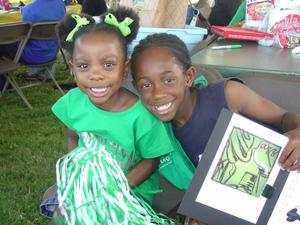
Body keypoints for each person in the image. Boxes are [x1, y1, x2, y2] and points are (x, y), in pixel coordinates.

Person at [130, 33, 300, 223]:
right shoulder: (160, 137)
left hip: (290, 185)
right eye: (146, 85)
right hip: (248, 210)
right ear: (136, 88)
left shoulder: (227, 95)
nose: (158, 94)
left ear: (188, 76)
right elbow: (206, 192)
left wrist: (298, 132)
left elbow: (284, 117)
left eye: (168, 80)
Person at [42, 8, 189, 222]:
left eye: (108, 65)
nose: (96, 75)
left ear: (125, 69)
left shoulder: (141, 115)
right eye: (84, 66)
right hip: (89, 185)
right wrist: (77, 170)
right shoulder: (74, 102)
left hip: (130, 189)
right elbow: (73, 134)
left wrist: (116, 190)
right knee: (67, 216)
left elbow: (151, 160)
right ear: (73, 69)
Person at [19, 0, 66, 81]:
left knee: (5, 45)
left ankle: (4, 79)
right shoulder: (61, 5)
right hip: (53, 52)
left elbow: (24, 36)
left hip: (31, 56)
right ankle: (43, 74)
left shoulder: (28, 8)